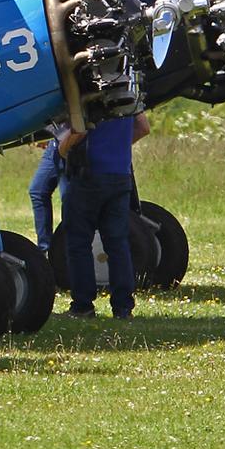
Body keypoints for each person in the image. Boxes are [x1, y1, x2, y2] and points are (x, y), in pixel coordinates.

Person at [57, 112, 150, 320]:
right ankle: (123, 307)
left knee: (79, 243)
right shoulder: (128, 97)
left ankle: (83, 305)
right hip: (120, 175)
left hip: (88, 175)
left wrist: (62, 149)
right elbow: (144, 127)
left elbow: (78, 131)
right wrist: (119, 147)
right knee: (117, 244)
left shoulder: (89, 95)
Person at [28, 120, 70, 252]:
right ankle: (45, 248)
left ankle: (66, 247)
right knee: (38, 191)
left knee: (69, 200)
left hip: (73, 141)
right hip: (58, 142)